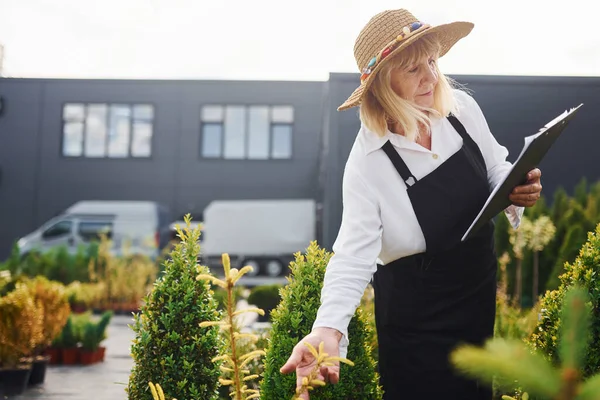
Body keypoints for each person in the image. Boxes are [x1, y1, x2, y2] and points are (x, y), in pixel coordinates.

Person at [280, 8, 543, 400]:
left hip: (474, 291)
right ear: (384, 84)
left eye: (432, 62)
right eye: (413, 69)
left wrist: (514, 185)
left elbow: (494, 164)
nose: (431, 78)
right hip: (416, 316)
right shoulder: (368, 162)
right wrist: (327, 331)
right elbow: (353, 255)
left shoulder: (462, 111)